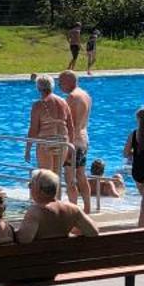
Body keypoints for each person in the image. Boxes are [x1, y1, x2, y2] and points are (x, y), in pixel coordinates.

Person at [57, 70, 93, 212]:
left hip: (73, 142)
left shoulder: (72, 97)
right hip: (84, 140)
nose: (59, 86)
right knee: (81, 176)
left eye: (61, 83)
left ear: (68, 82)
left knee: (70, 179)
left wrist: (67, 145)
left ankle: (73, 210)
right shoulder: (86, 95)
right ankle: (88, 208)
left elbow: (70, 124)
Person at [26, 75, 70, 172]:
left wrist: (28, 149)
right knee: (57, 175)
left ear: (38, 88)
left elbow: (33, 129)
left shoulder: (38, 105)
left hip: (46, 141)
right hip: (62, 141)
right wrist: (71, 146)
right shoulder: (63, 102)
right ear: (52, 86)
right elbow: (70, 126)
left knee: (46, 175)